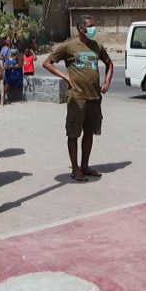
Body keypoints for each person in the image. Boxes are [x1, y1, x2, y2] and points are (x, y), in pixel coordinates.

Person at [43, 14, 113, 182]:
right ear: (81, 28)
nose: (92, 29)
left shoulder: (97, 46)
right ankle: (75, 168)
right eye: (89, 26)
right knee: (74, 134)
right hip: (77, 97)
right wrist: (66, 77)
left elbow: (109, 63)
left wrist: (107, 81)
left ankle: (85, 165)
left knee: (89, 133)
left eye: (93, 25)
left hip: (94, 97)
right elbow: (47, 62)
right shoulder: (69, 46)